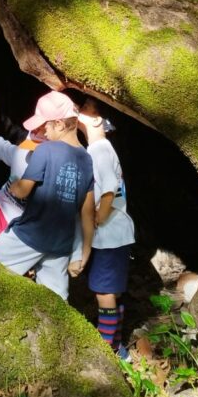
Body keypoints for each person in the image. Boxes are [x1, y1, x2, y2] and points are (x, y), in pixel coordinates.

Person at [0, 91, 95, 300]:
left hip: (30, 235)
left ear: (60, 124)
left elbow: (23, 190)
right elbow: (88, 213)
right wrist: (84, 253)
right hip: (61, 246)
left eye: (46, 124)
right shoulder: (87, 160)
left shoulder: (45, 151)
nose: (43, 130)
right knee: (55, 302)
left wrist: (13, 186)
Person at [77, 98, 135, 359]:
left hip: (109, 235)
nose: (77, 114)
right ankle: (117, 344)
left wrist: (98, 217)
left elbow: (109, 191)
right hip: (116, 235)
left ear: (97, 120)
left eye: (82, 111)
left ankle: (108, 348)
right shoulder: (103, 148)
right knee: (111, 291)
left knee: (104, 292)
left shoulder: (99, 149)